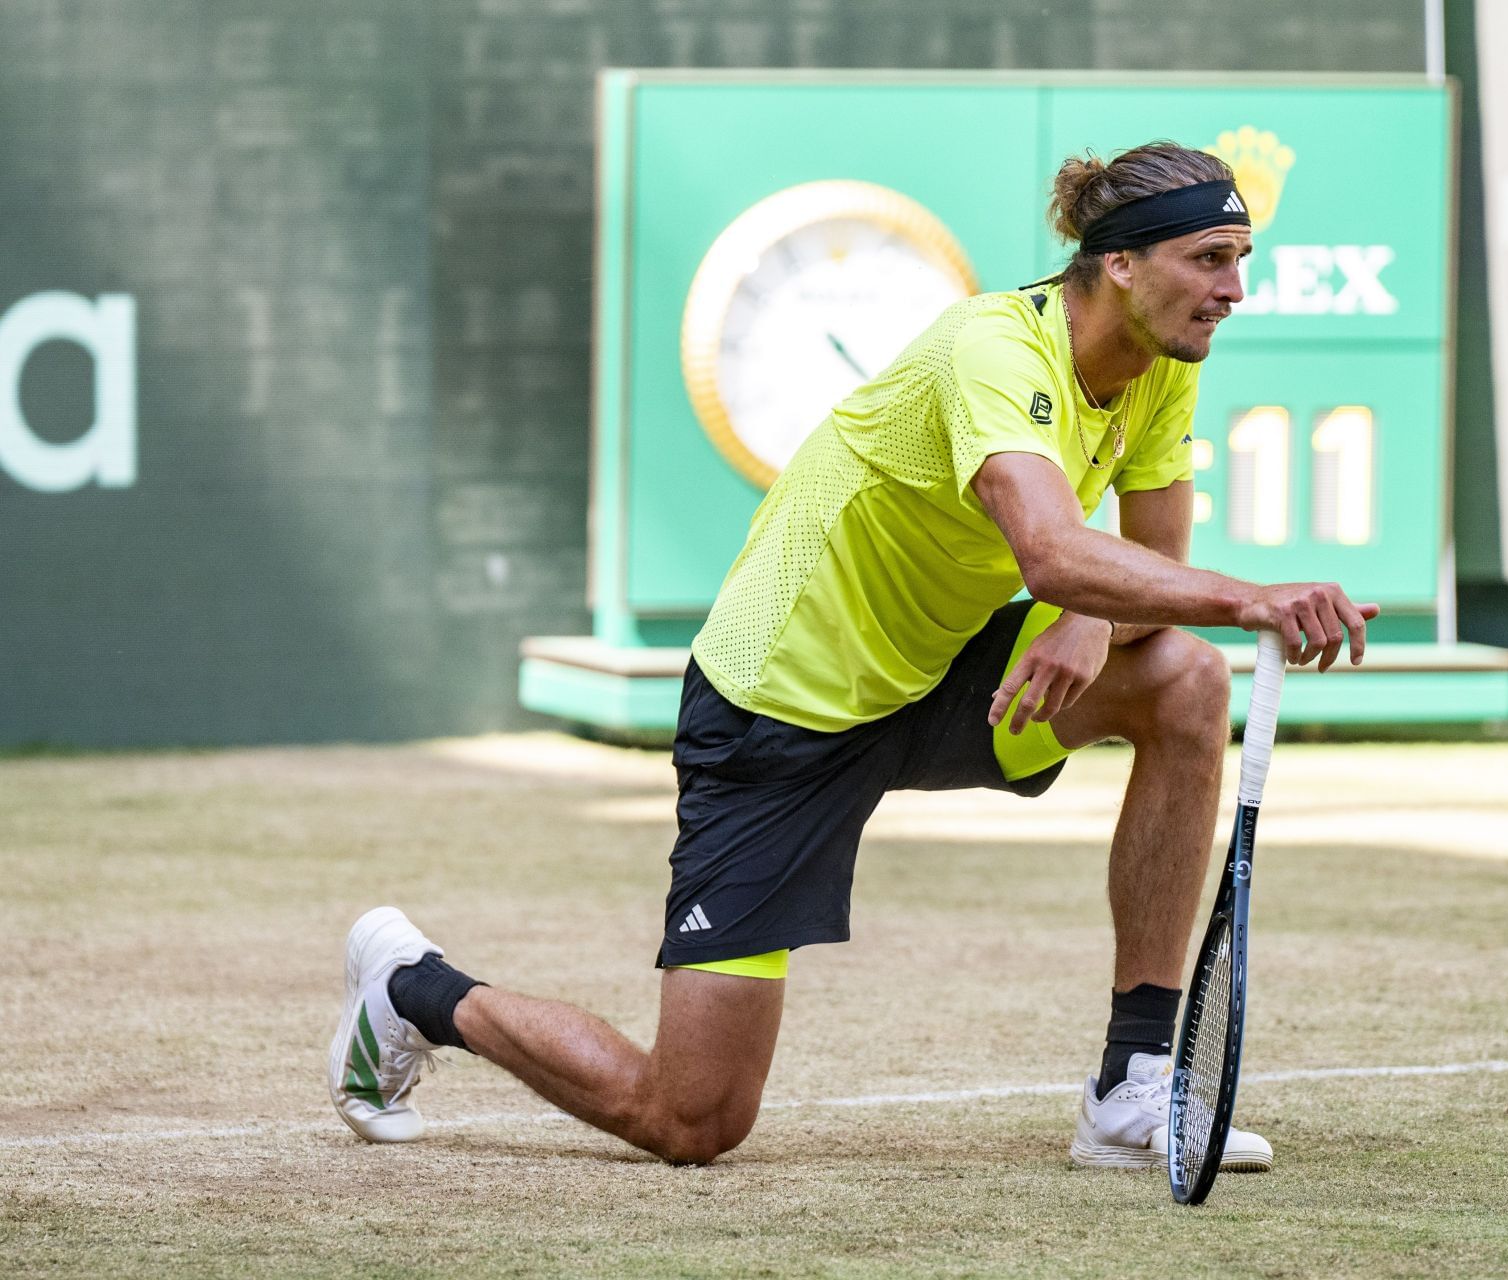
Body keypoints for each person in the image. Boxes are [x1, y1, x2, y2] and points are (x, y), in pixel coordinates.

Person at [329, 141, 1376, 1169]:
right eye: (1210, 258)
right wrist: (1248, 597)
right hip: (782, 706)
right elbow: (1053, 553)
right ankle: (414, 988)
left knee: (1183, 678)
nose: (1234, 287)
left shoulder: (1160, 363)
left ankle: (1133, 1081)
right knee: (689, 1118)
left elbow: (1149, 562)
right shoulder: (994, 347)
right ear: (1119, 262)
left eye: (1241, 258)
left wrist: (1091, 621)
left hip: (943, 669)